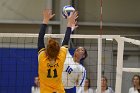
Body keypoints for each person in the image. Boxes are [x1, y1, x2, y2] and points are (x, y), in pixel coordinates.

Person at [38, 9, 78, 93]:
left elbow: (40, 38)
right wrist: (70, 25)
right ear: (58, 52)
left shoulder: (42, 58)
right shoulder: (60, 58)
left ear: (46, 51)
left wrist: (45, 20)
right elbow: (66, 40)